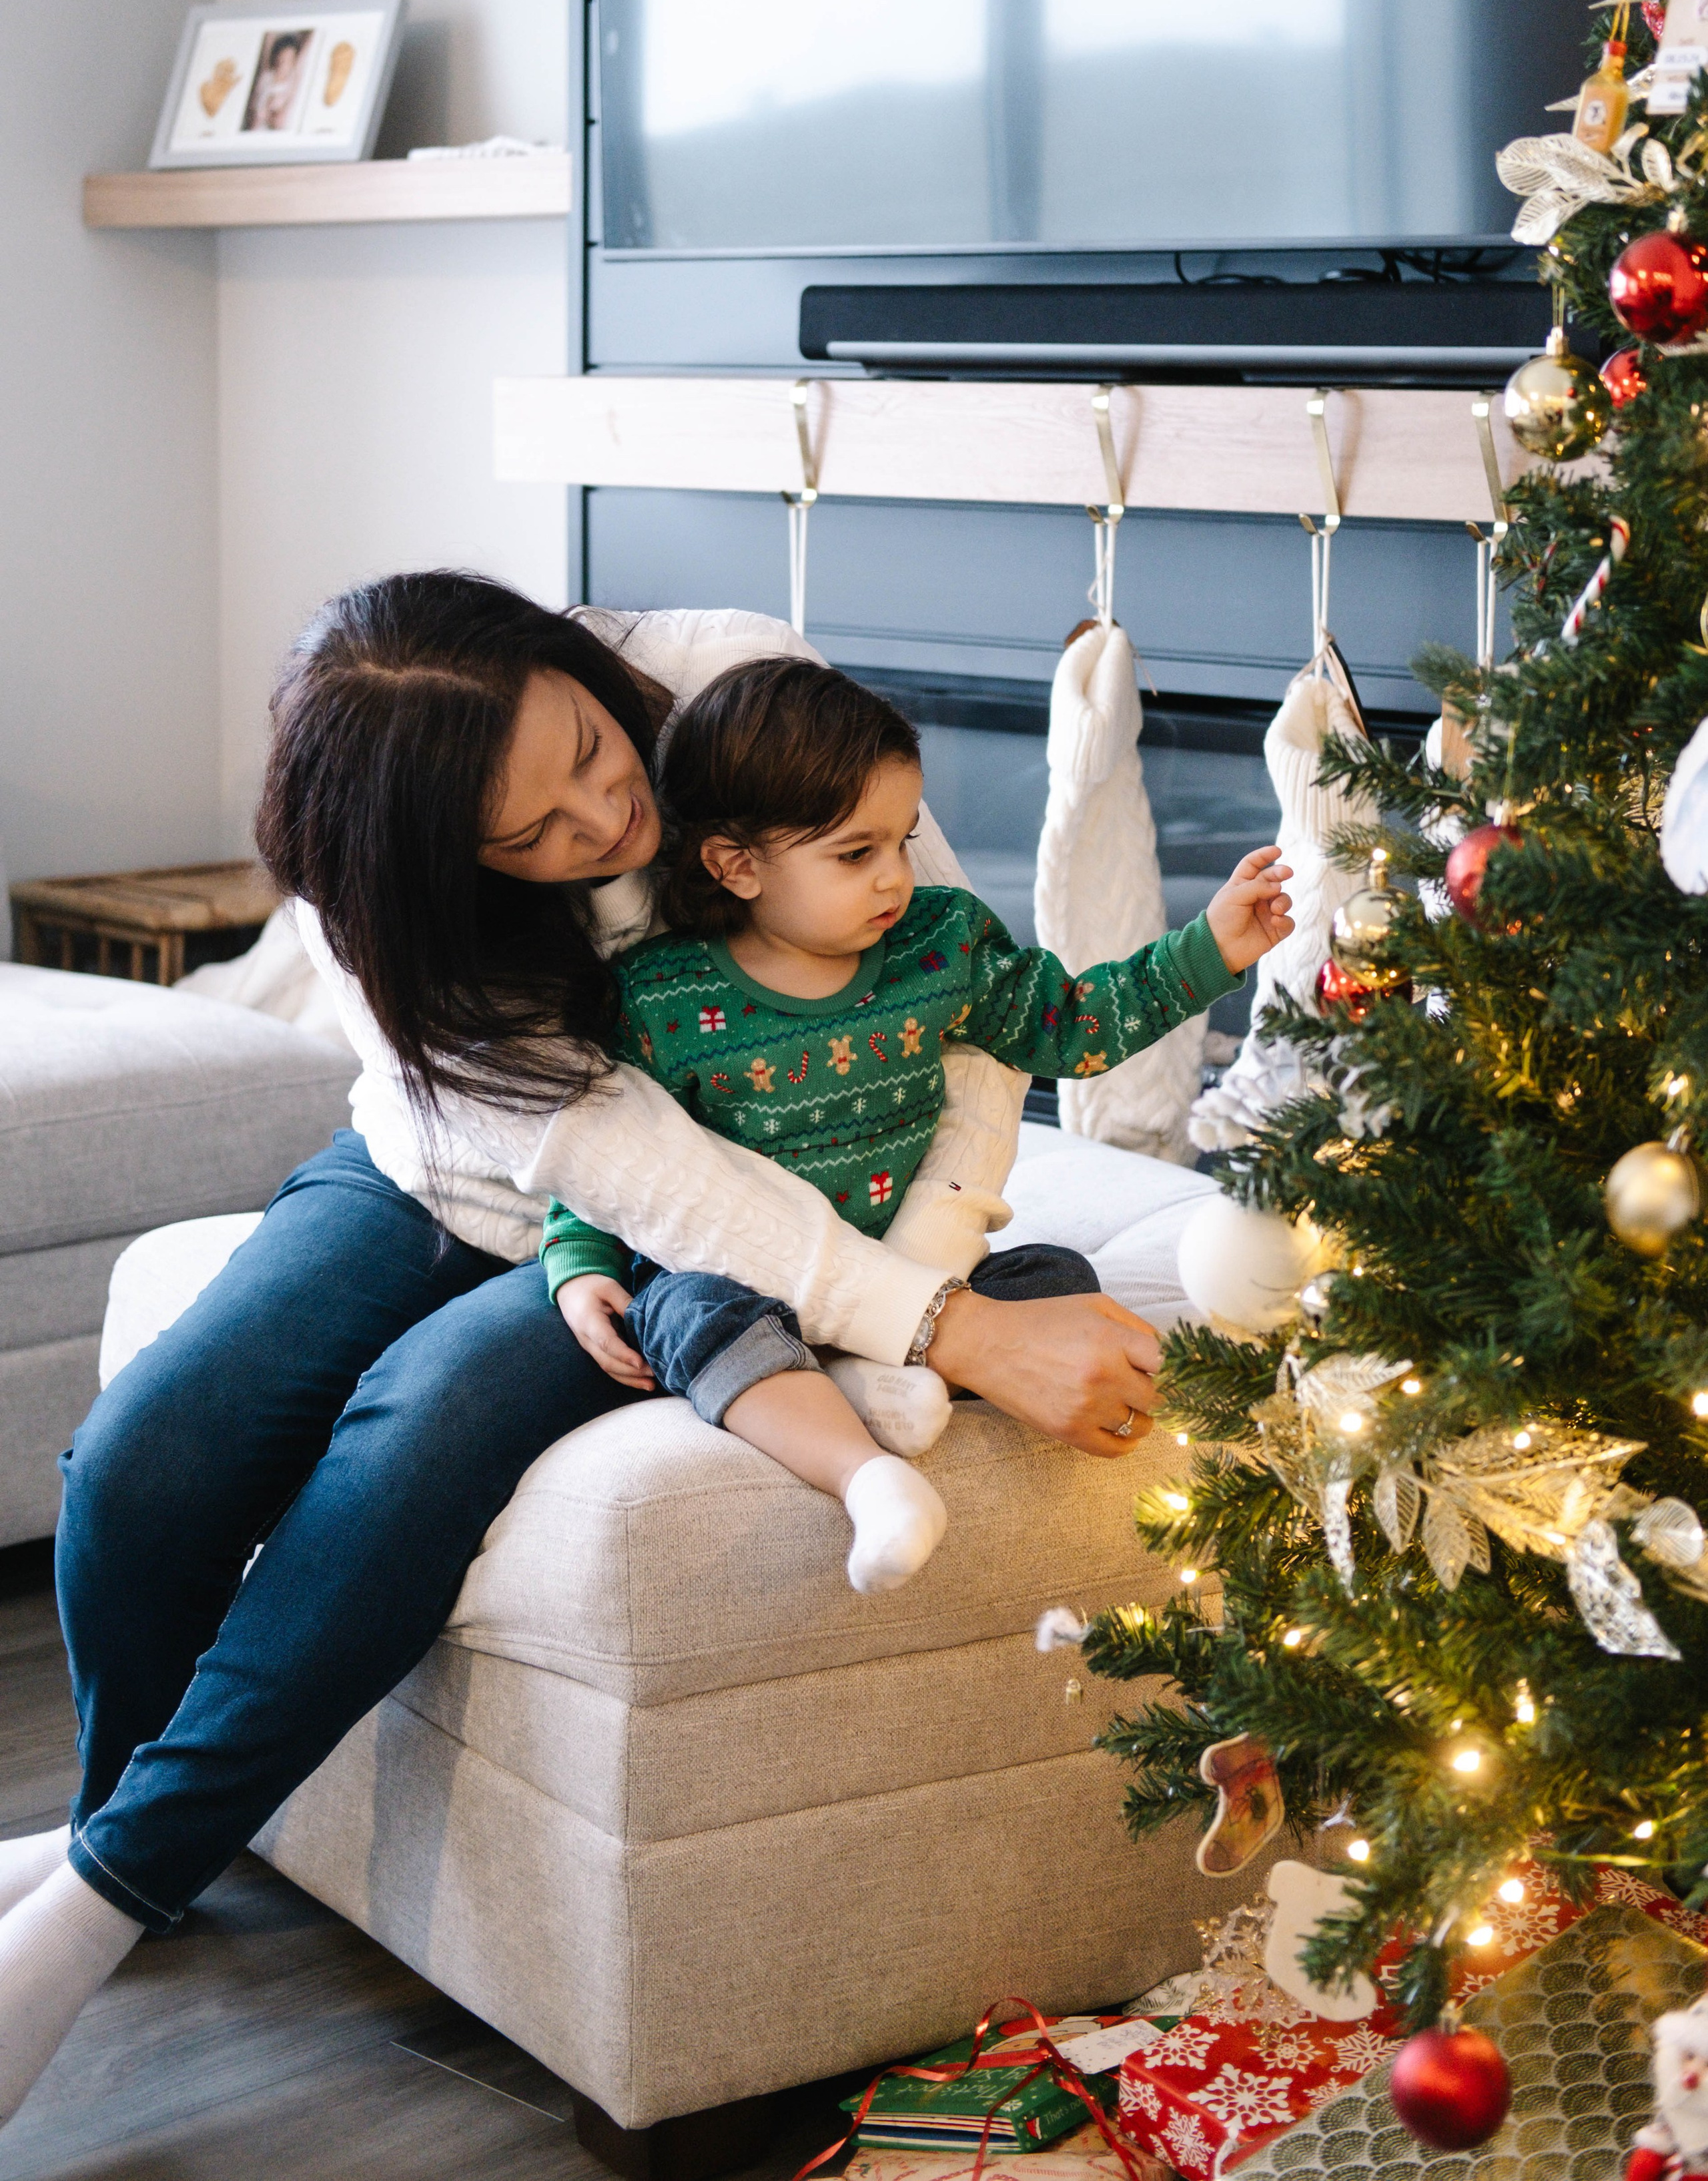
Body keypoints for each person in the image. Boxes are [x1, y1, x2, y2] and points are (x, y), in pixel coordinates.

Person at [0, 573, 1190, 2129]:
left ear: (570, 664)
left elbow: (946, 991)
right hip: (449, 1171)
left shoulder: (732, 687)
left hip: (671, 1229)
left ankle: (92, 1907)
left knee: (413, 1439)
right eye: (530, 834)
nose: (601, 818)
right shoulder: (377, 886)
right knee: (143, 1458)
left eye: (585, 753)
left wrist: (933, 1282)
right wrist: (955, 1332)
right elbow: (599, 1148)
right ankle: (120, 1834)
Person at [542, 657, 1292, 1593]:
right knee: (684, 1310)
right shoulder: (661, 999)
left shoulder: (942, 945)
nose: (895, 877)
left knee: (1057, 1279)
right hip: (743, 1290)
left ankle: (877, 1373)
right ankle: (869, 1474)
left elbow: (1072, 1025)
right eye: (855, 855)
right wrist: (579, 1266)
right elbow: (615, 1163)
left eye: (902, 840)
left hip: (921, 1271)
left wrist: (1209, 948)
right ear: (736, 865)